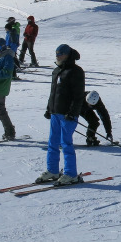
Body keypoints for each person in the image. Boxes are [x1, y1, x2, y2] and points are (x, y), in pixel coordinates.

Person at [36, 45, 85, 185]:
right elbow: (53, 93)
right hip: (55, 113)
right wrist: (49, 108)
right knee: (52, 142)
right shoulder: (56, 71)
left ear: (68, 55)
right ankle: (52, 170)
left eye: (61, 54)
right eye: (57, 53)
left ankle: (71, 173)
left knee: (66, 144)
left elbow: (78, 95)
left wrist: (72, 112)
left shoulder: (76, 71)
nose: (58, 56)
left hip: (67, 115)